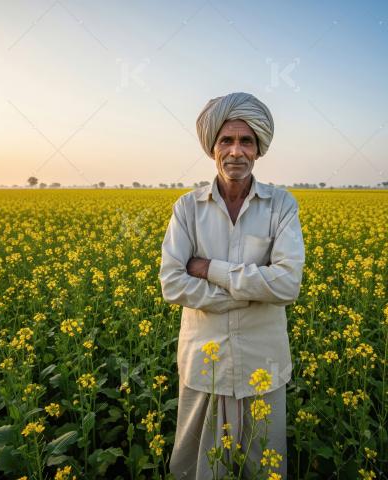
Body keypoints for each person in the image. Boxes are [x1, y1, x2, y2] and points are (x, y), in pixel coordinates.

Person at [159, 92, 305, 479]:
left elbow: (288, 284)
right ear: (212, 148)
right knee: (198, 466)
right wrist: (246, 294)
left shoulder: (282, 206)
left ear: (258, 150)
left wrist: (210, 269)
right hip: (204, 364)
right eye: (226, 140)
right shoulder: (187, 209)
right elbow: (172, 283)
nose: (236, 151)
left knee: (263, 464)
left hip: (263, 363)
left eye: (246, 141)